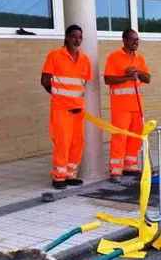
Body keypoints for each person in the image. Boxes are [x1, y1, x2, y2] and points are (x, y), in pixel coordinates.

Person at [41, 24, 92, 190]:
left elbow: (82, 84)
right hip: (61, 108)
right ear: (67, 37)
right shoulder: (55, 55)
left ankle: (71, 174)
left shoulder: (84, 59)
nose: (77, 40)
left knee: (77, 142)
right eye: (74, 36)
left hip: (78, 108)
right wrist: (59, 96)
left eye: (80, 37)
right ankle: (58, 177)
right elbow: (45, 81)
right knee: (62, 142)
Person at [104, 28, 151, 182]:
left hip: (137, 106)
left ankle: (130, 164)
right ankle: (116, 170)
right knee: (120, 136)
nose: (136, 42)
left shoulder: (140, 58)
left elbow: (147, 78)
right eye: (132, 39)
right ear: (124, 40)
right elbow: (108, 79)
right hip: (121, 106)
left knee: (136, 136)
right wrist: (127, 77)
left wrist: (137, 71)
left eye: (138, 39)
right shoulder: (114, 57)